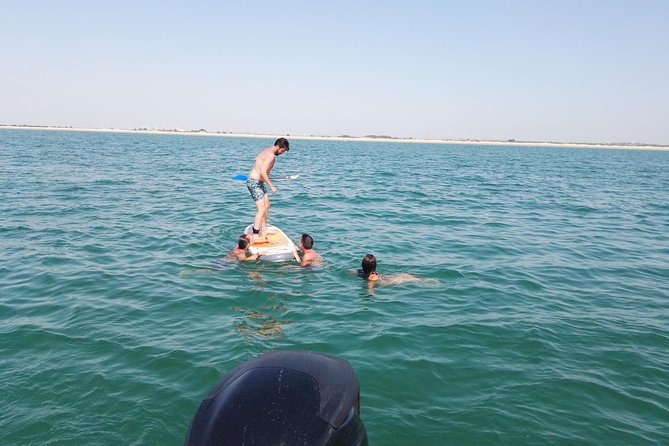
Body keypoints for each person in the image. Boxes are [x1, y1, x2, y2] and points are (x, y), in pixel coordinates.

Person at [246, 138, 290, 241]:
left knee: (267, 206)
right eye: (282, 151)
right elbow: (263, 172)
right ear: (279, 147)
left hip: (259, 182)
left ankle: (264, 230)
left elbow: (256, 159)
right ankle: (256, 235)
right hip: (254, 183)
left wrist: (259, 171)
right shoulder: (271, 155)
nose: (282, 153)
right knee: (261, 210)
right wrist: (271, 186)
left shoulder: (267, 150)